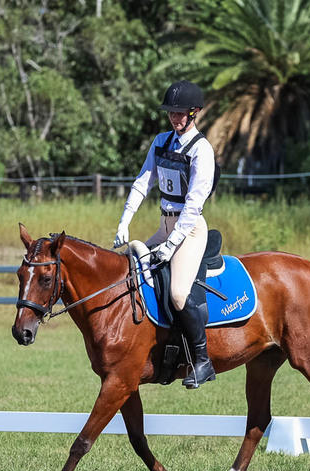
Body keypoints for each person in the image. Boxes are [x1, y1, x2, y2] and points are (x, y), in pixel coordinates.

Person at [113, 80, 216, 389]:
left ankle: (202, 361)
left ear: (195, 112)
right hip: (163, 225)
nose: (175, 118)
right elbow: (143, 182)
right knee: (129, 269)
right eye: (171, 113)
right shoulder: (161, 141)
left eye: (181, 113)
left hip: (190, 230)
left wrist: (171, 245)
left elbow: (194, 205)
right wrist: (124, 222)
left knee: (179, 294)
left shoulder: (202, 150)